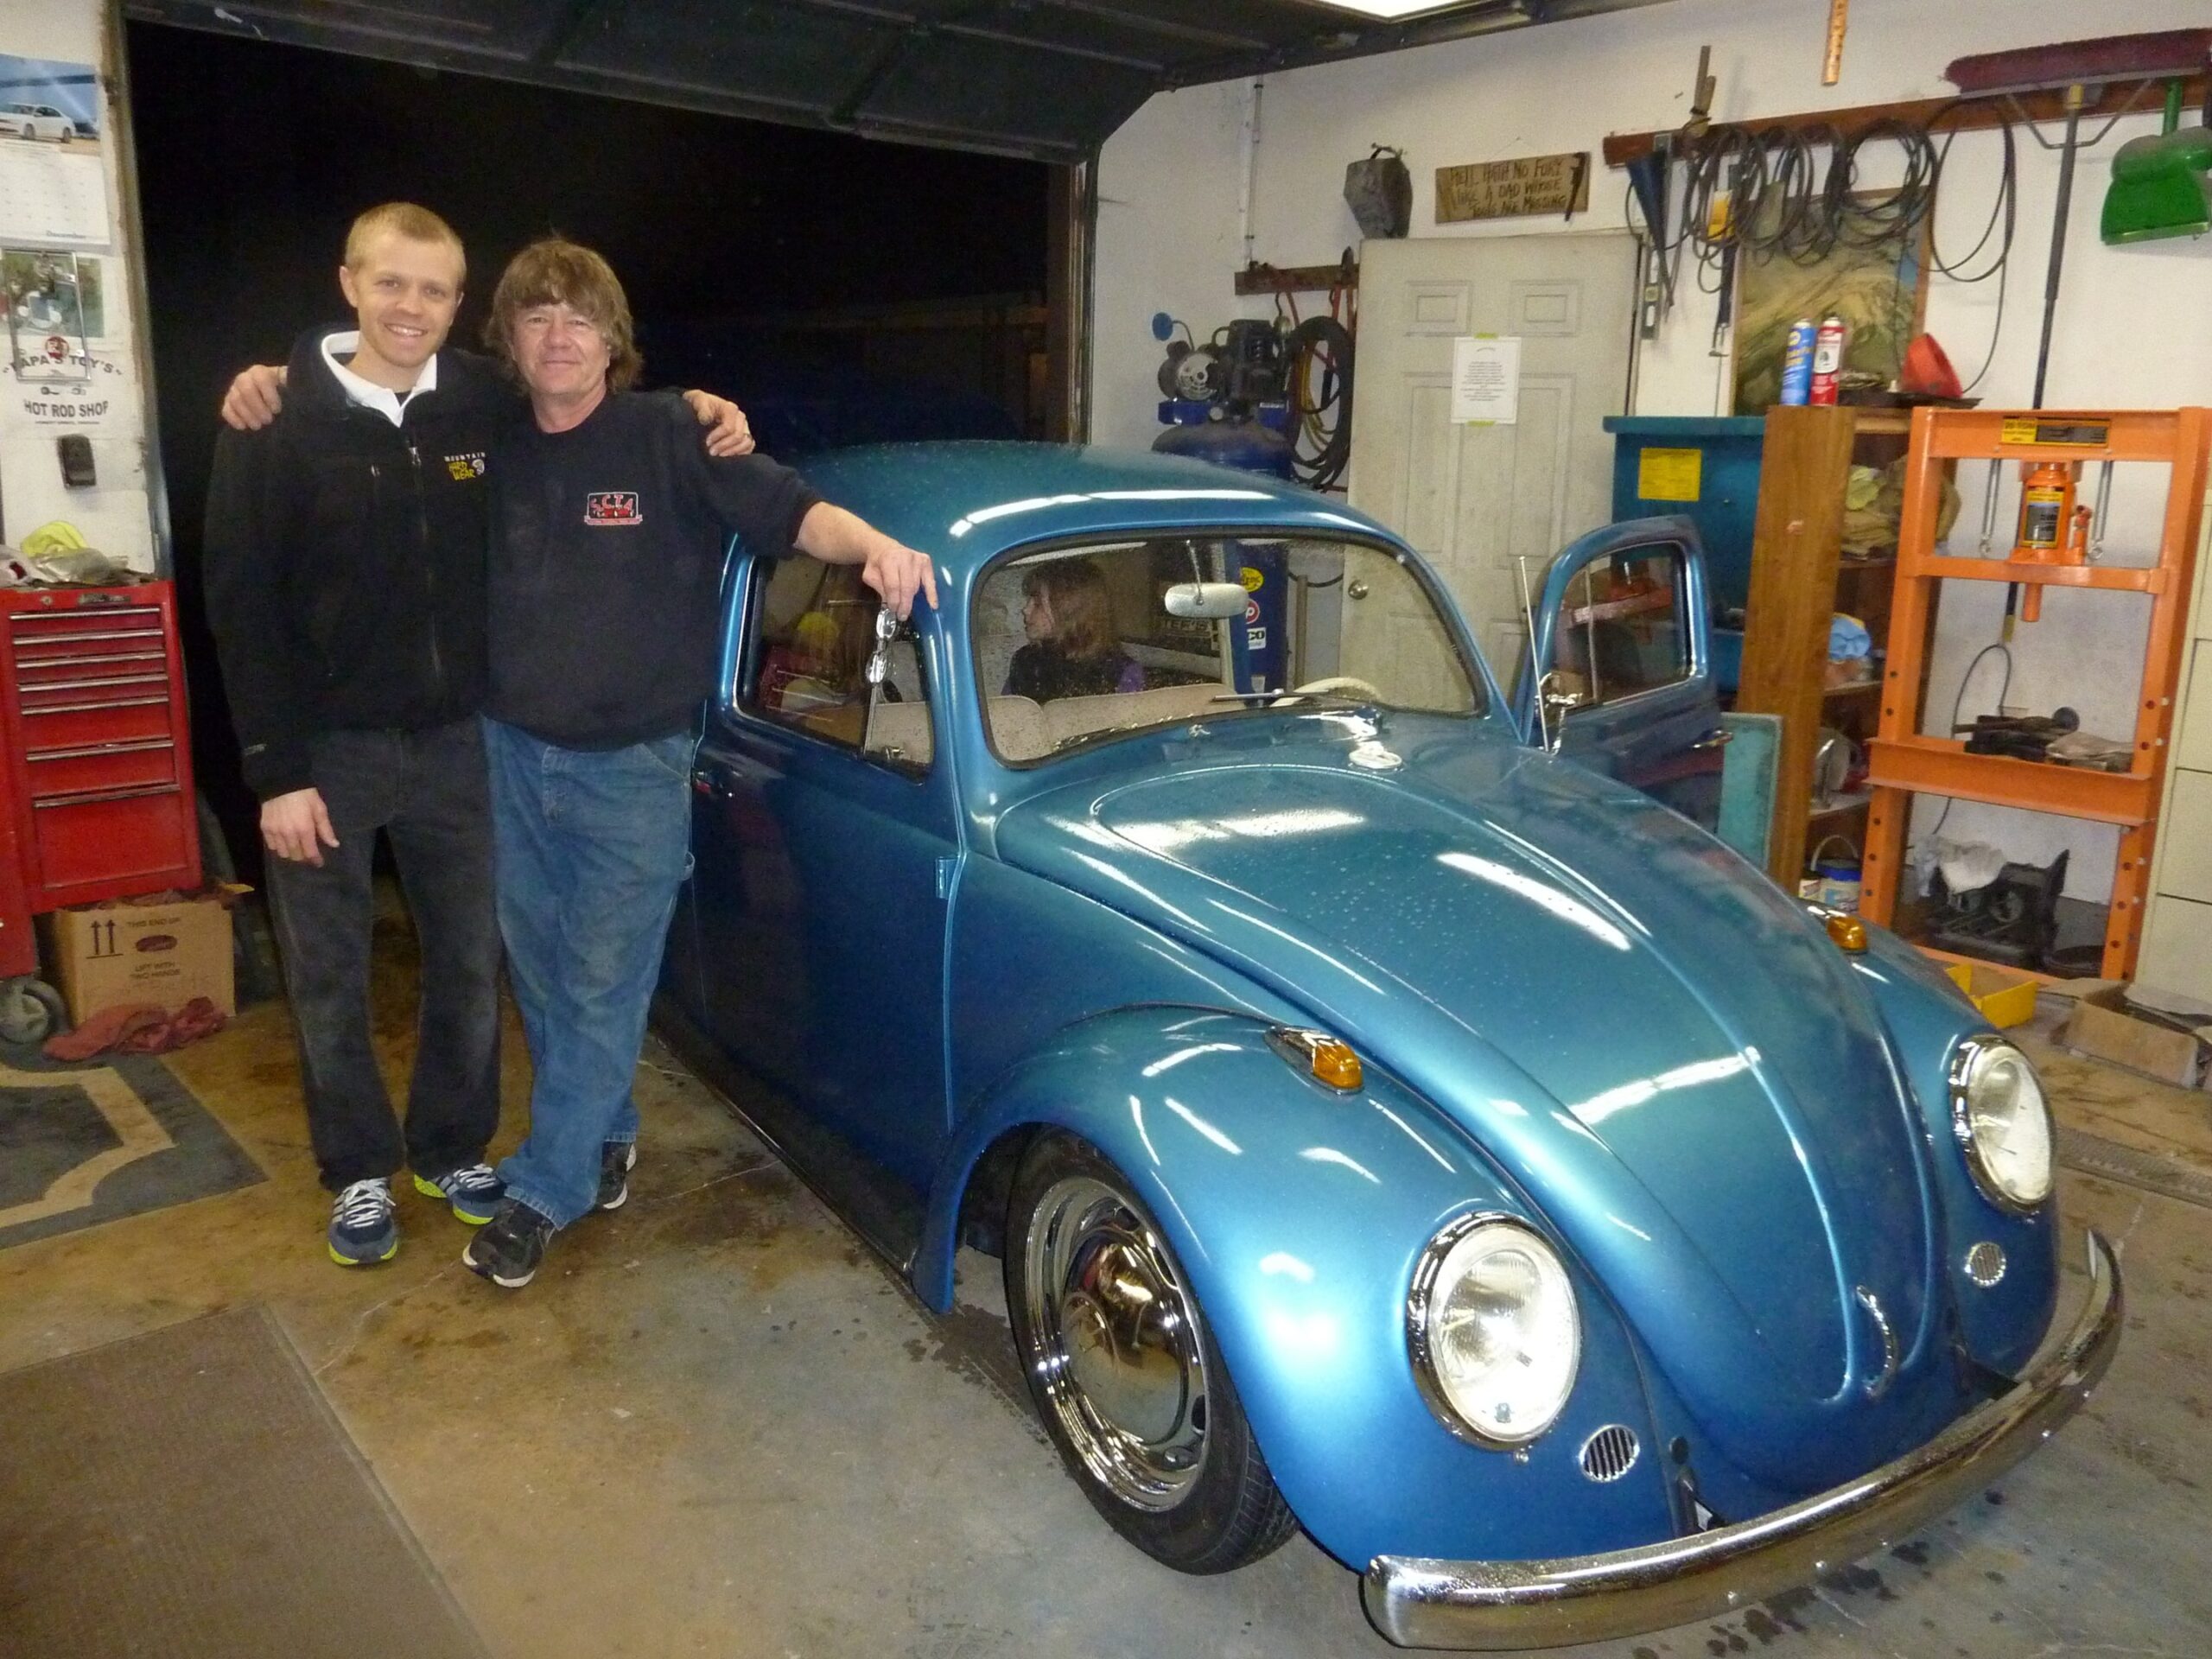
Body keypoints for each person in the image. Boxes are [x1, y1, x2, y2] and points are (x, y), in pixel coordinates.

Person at [207, 203, 749, 1268]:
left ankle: (449, 1149)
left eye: (434, 289)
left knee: (469, 962)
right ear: (350, 284)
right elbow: (240, 604)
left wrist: (699, 406)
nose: (410, 306)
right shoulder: (274, 419)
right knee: (329, 972)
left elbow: (582, 387)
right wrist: (274, 771)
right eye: (390, 282)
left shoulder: (479, 403)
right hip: (326, 753)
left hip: (462, 739)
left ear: (459, 304)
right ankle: (357, 1171)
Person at [458, 237, 937, 1290]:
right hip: (510, 756)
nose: (558, 336)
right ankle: (603, 1133)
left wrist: (876, 549)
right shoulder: (487, 437)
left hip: (630, 770)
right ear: (510, 338)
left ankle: (546, 1185)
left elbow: (793, 510)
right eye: (536, 317)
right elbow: (383, 384)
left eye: (580, 318)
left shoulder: (673, 434)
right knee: (542, 972)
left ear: (612, 340)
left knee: (600, 978)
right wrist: (284, 378)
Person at [1003, 557, 1142, 702]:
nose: (1025, 610)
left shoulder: (1119, 671)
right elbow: (1006, 710)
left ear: (1069, 609)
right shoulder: (1025, 661)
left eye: (1038, 604)